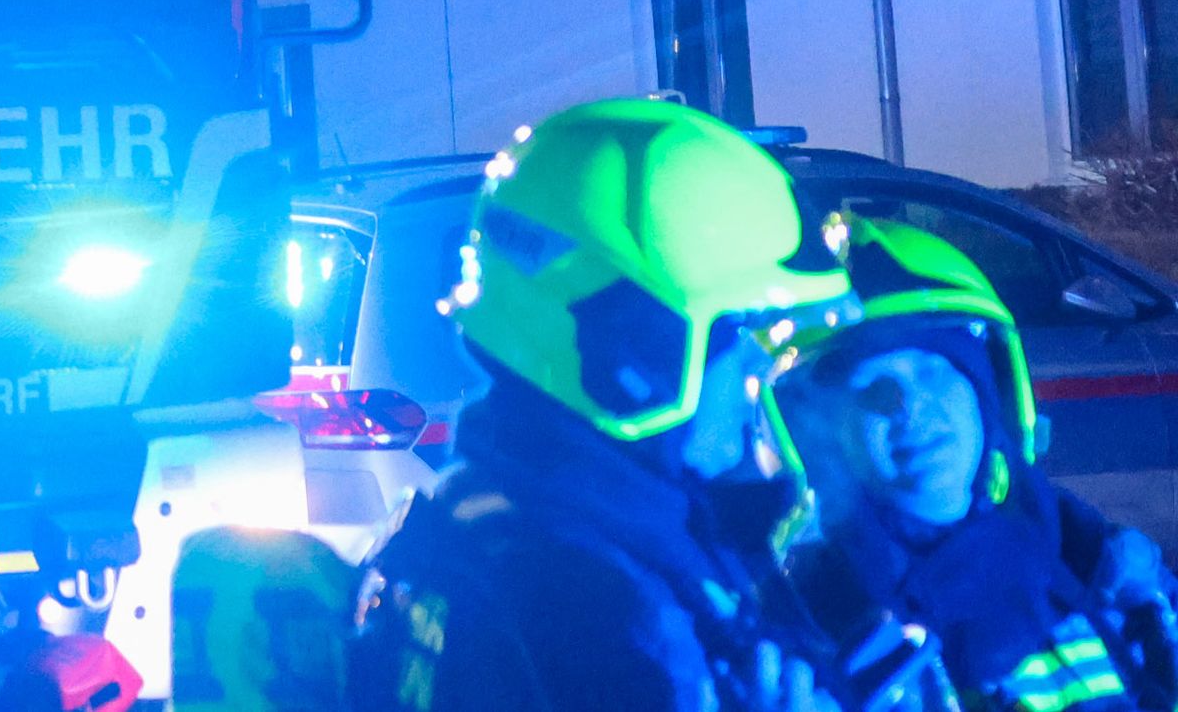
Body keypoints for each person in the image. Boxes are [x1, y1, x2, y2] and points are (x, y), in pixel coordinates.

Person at [348, 98, 907, 712]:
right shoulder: (588, 610)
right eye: (743, 343)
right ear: (635, 352)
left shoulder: (502, 524)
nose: (762, 370)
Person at [775, 220, 1178, 712]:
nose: (910, 407)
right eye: (870, 387)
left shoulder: (1097, 561)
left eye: (932, 369)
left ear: (993, 395)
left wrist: (1151, 615)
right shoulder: (816, 646)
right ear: (825, 442)